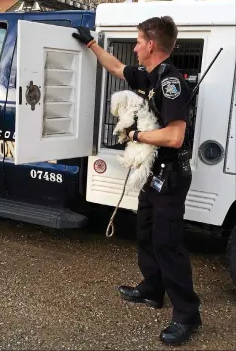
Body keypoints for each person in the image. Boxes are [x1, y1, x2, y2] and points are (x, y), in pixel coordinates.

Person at [72, 17, 201, 346]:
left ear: (152, 45)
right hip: (154, 174)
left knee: (167, 244)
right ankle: (153, 289)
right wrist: (91, 45)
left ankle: (187, 314)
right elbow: (117, 68)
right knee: (144, 230)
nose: (134, 47)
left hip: (171, 177)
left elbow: (174, 136)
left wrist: (136, 134)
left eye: (138, 41)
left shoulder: (172, 82)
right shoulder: (151, 77)